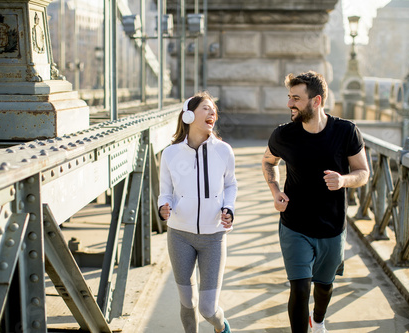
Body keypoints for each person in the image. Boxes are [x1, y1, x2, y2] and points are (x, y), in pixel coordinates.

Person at [261, 71, 369, 333]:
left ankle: (318, 320)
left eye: (296, 98)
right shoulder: (283, 135)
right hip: (294, 225)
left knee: (324, 286)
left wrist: (343, 180)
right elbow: (268, 161)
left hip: (332, 227)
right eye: (289, 97)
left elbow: (363, 173)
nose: (289, 104)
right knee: (299, 288)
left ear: (316, 100)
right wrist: (275, 190)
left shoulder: (346, 131)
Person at [158, 91, 237, 333]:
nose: (212, 112)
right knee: (187, 302)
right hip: (180, 234)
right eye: (206, 108)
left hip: (213, 237)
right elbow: (165, 190)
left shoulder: (224, 151)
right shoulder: (170, 154)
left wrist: (229, 208)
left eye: (214, 109)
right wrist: (163, 206)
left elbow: (231, 185)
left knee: (207, 308)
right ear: (189, 115)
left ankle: (221, 326)